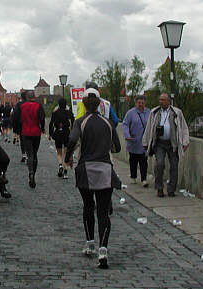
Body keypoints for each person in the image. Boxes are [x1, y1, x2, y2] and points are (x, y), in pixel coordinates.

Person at [64, 88, 121, 269]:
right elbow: (117, 148)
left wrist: (67, 158)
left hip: (86, 169)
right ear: (99, 104)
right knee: (103, 211)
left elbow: (72, 140)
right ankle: (103, 249)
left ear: (83, 104)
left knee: (88, 206)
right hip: (104, 168)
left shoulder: (80, 122)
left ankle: (90, 243)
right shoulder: (107, 123)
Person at [142, 93, 190, 197]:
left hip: (173, 143)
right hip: (159, 143)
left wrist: (185, 142)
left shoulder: (177, 112)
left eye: (163, 100)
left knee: (174, 166)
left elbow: (184, 127)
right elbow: (149, 127)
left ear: (169, 101)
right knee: (159, 164)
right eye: (160, 100)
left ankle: (171, 189)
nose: (161, 102)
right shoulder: (154, 112)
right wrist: (145, 142)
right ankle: (159, 188)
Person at [13, 90, 45, 188]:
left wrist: (16, 129)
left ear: (26, 97)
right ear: (34, 97)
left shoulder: (21, 106)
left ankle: (30, 172)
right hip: (36, 132)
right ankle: (33, 174)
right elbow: (42, 118)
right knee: (35, 154)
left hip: (25, 132)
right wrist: (43, 128)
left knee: (29, 154)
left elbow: (16, 118)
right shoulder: (38, 106)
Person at [122, 95, 150, 187]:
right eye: (139, 103)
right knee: (133, 160)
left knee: (143, 161)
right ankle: (133, 176)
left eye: (142, 103)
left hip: (144, 141)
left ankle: (144, 179)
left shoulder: (148, 112)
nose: (141, 104)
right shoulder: (130, 113)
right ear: (136, 103)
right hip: (133, 141)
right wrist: (127, 135)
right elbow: (125, 124)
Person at [49, 98, 74, 179]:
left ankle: (60, 166)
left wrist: (51, 134)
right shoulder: (68, 112)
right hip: (67, 133)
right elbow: (73, 122)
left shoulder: (55, 112)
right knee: (66, 153)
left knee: (59, 152)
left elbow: (51, 123)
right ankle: (66, 171)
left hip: (58, 133)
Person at [12, 92, 27, 162]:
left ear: (21, 97)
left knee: (23, 140)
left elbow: (15, 116)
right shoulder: (31, 104)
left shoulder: (18, 104)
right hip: (30, 124)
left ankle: (24, 154)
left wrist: (15, 128)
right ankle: (29, 154)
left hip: (21, 124)